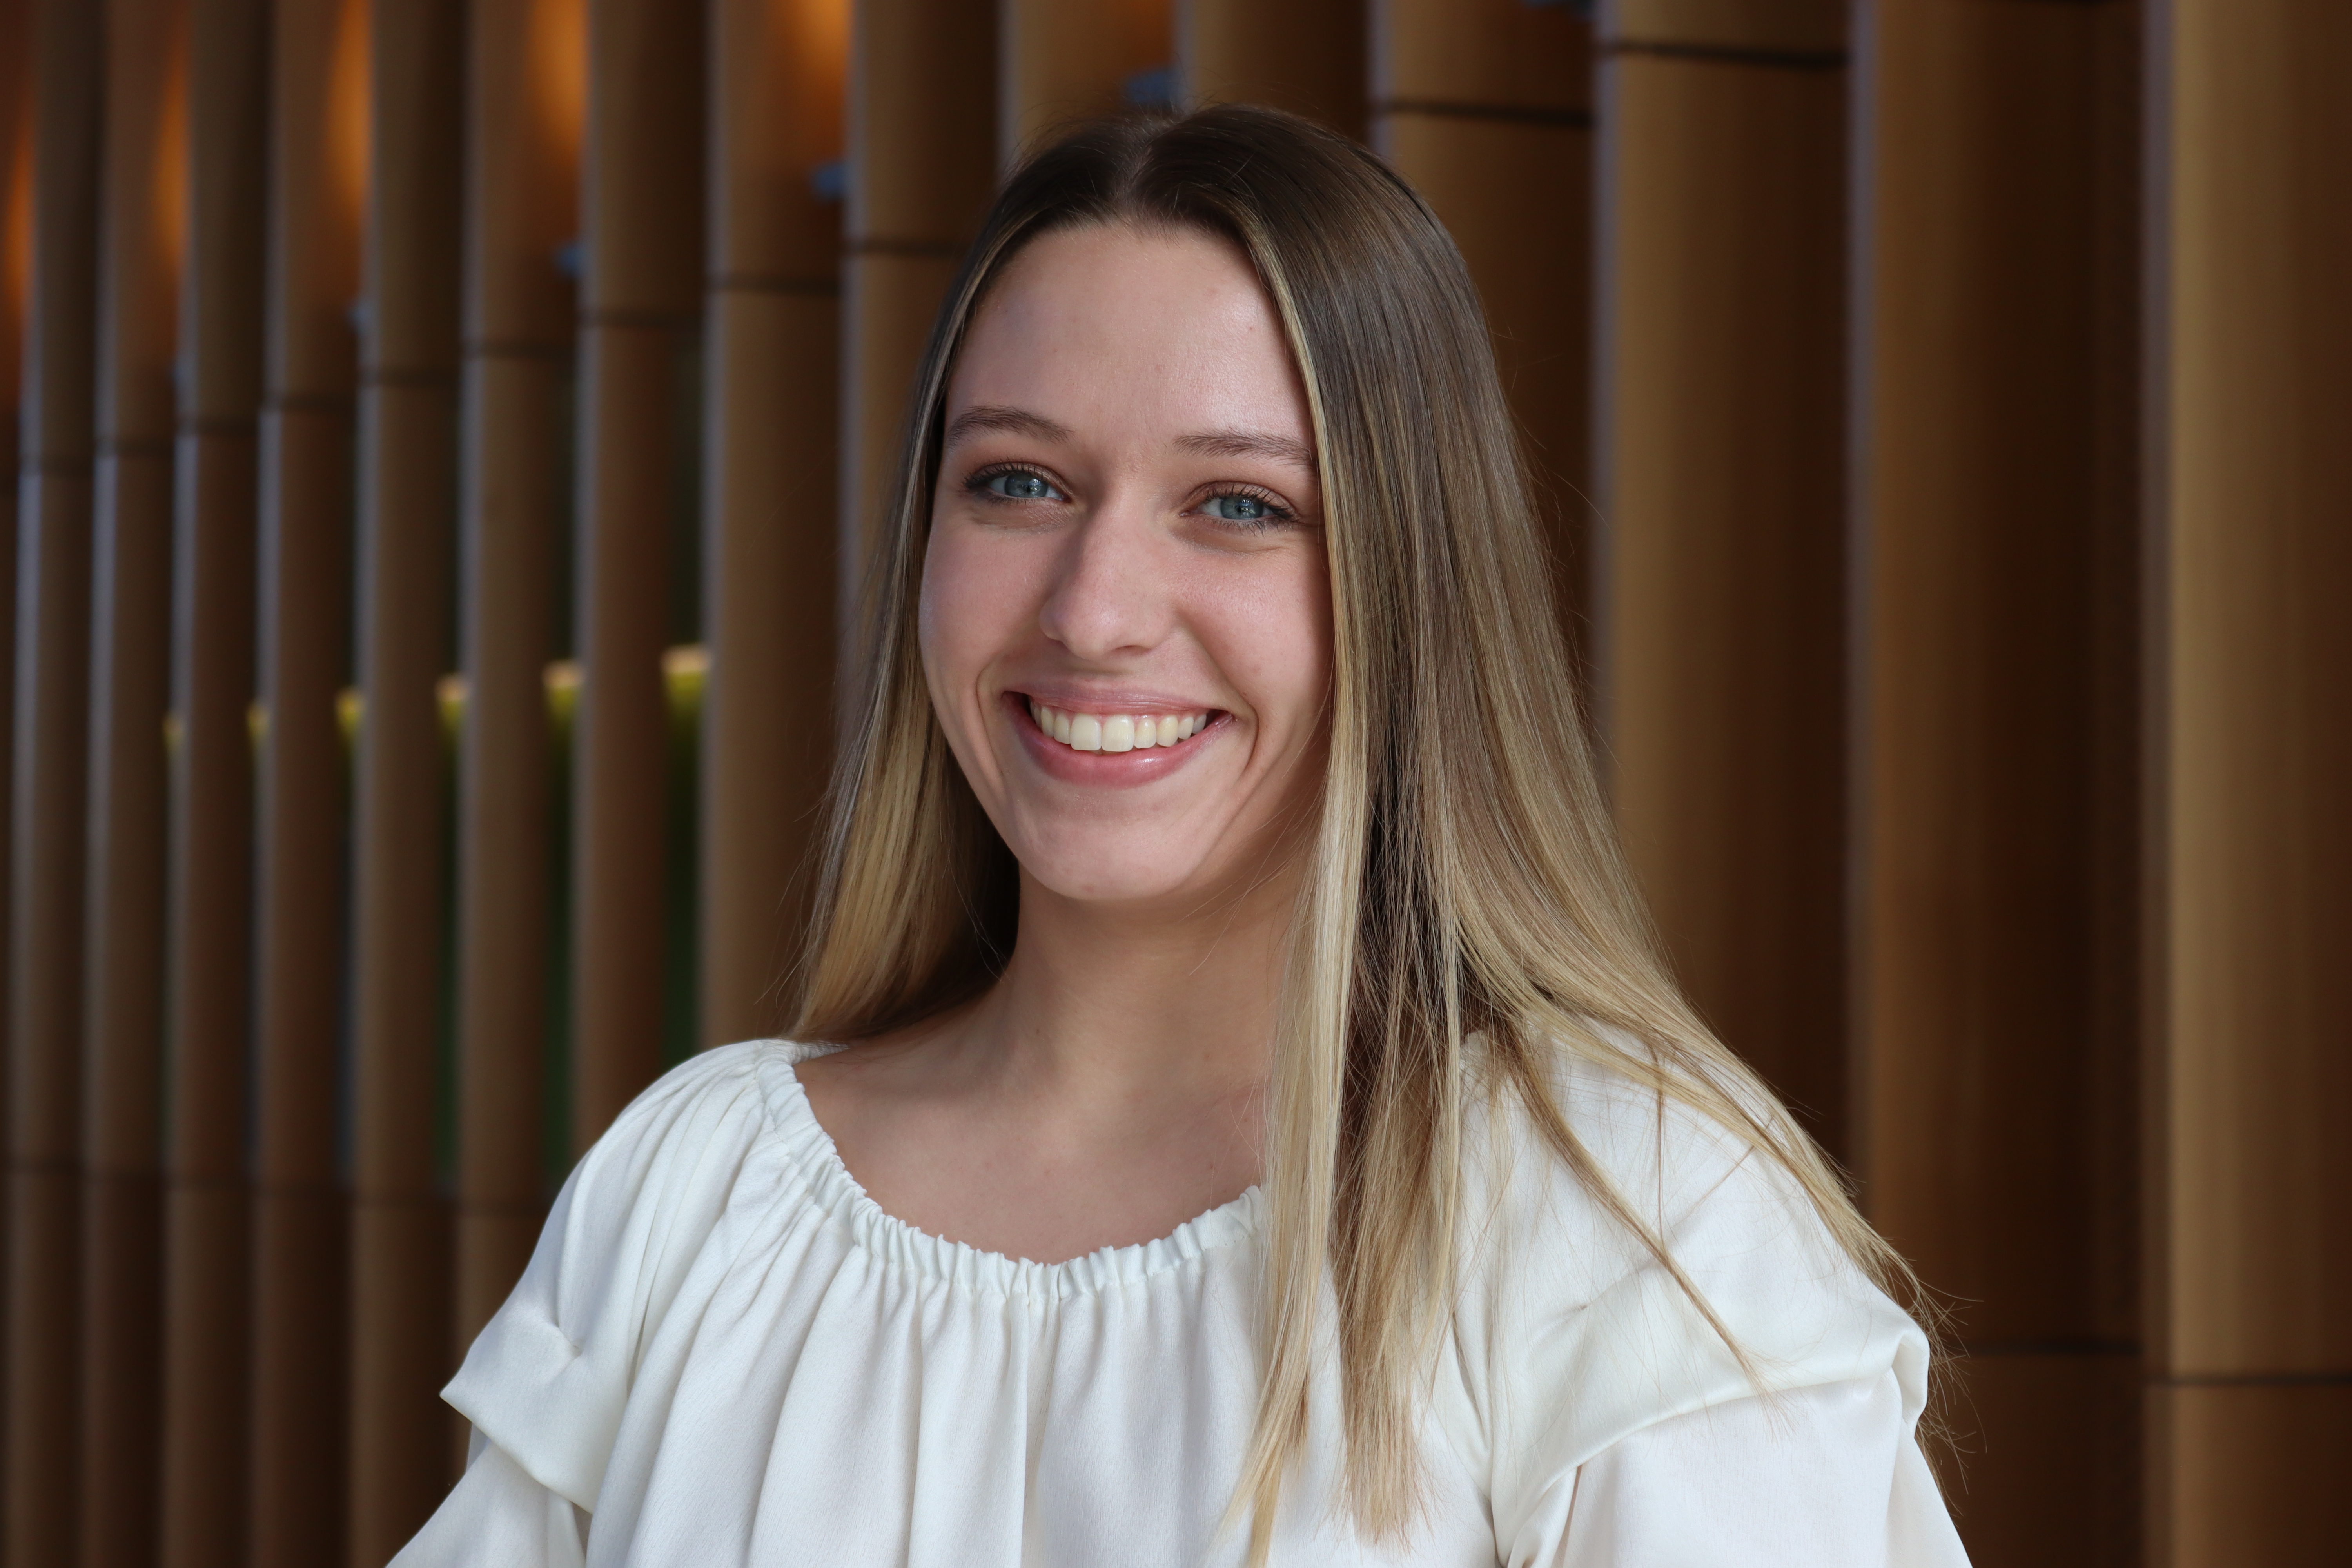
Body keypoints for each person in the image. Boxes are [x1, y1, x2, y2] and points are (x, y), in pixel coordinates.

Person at [394, 106, 1969, 1567]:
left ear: (1411, 588)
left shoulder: (1628, 1219)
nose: (1093, 610)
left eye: (1237, 505)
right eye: (1017, 481)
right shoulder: (695, 1190)